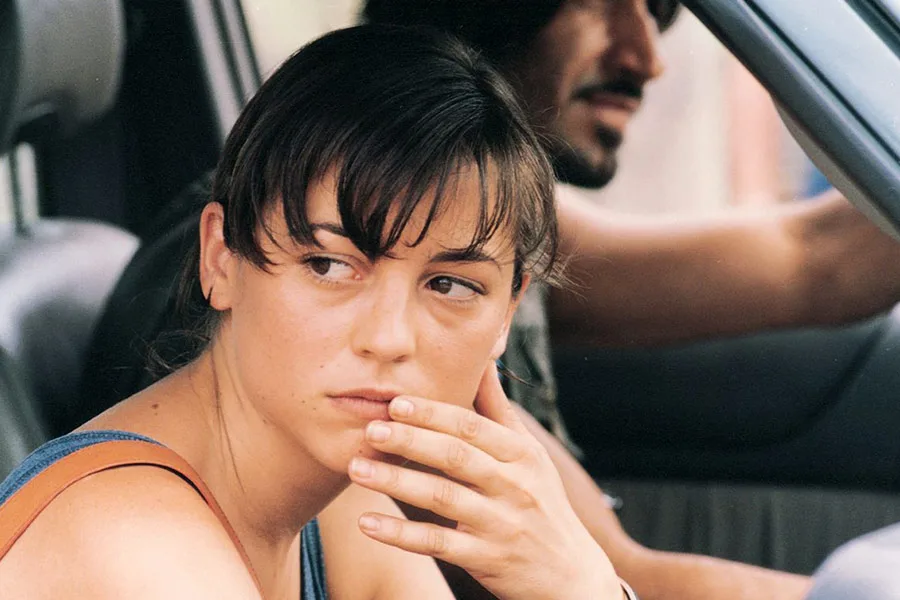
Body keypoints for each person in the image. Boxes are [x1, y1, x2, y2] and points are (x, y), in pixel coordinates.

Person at [0, 25, 634, 600]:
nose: (389, 338)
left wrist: (581, 577)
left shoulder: (335, 507)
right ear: (221, 259)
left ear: (506, 314)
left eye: (449, 285)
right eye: (329, 266)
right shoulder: (135, 541)